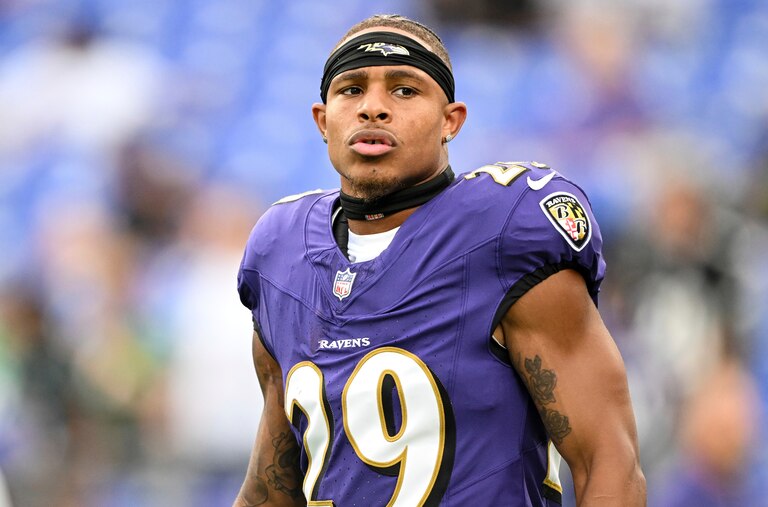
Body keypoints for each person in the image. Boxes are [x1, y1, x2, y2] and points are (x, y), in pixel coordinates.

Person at [234, 14, 645, 506]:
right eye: (351, 89)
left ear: (451, 120)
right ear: (324, 121)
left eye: (404, 90)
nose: (373, 108)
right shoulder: (281, 254)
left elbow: (608, 461)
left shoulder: (502, 231)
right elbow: (271, 488)